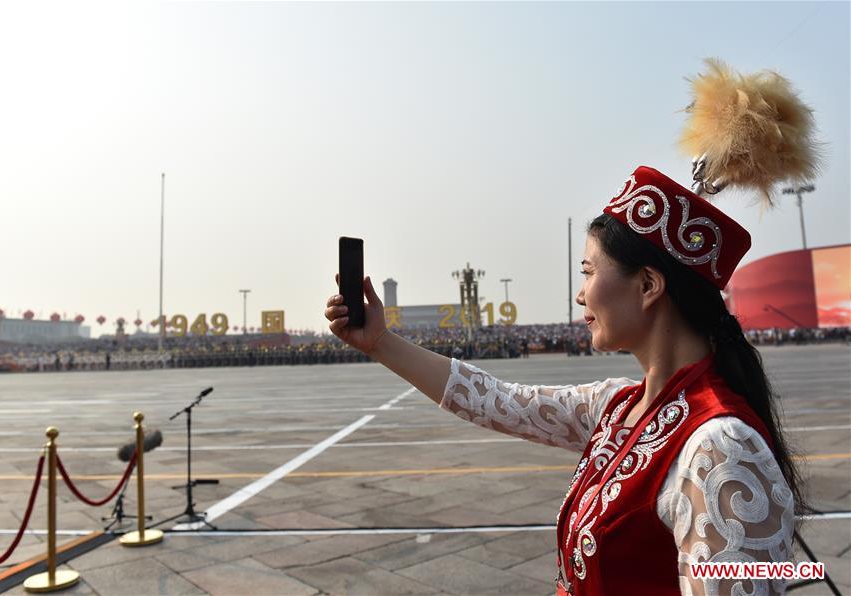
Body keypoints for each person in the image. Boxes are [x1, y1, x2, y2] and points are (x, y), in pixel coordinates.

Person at [324, 166, 801, 595]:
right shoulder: (618, 405)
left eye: (588, 272)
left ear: (648, 286)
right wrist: (380, 342)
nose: (579, 295)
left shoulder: (720, 448)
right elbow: (496, 400)